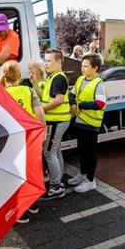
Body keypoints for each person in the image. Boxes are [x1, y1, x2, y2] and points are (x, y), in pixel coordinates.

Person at [0, 60, 45, 223]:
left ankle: (21, 211)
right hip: (29, 135)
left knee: (15, 174)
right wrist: (42, 131)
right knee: (30, 170)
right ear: (20, 75)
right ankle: (33, 204)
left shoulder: (0, 93)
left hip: (11, 138)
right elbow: (39, 112)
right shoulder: (28, 90)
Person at [67, 53, 107, 193]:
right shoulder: (80, 79)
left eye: (85, 66)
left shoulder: (99, 83)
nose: (82, 69)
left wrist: (81, 105)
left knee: (90, 153)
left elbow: (100, 103)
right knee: (82, 151)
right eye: (81, 66)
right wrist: (73, 103)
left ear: (95, 68)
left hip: (91, 124)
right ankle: (82, 174)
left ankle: (90, 181)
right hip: (80, 122)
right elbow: (72, 94)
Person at [39, 48, 71, 200]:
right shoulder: (53, 77)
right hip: (58, 120)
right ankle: (58, 182)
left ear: (58, 62)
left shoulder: (58, 78)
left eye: (49, 61)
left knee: (49, 153)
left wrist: (40, 109)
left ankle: (55, 187)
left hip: (57, 121)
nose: (46, 63)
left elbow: (58, 100)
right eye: (45, 60)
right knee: (56, 152)